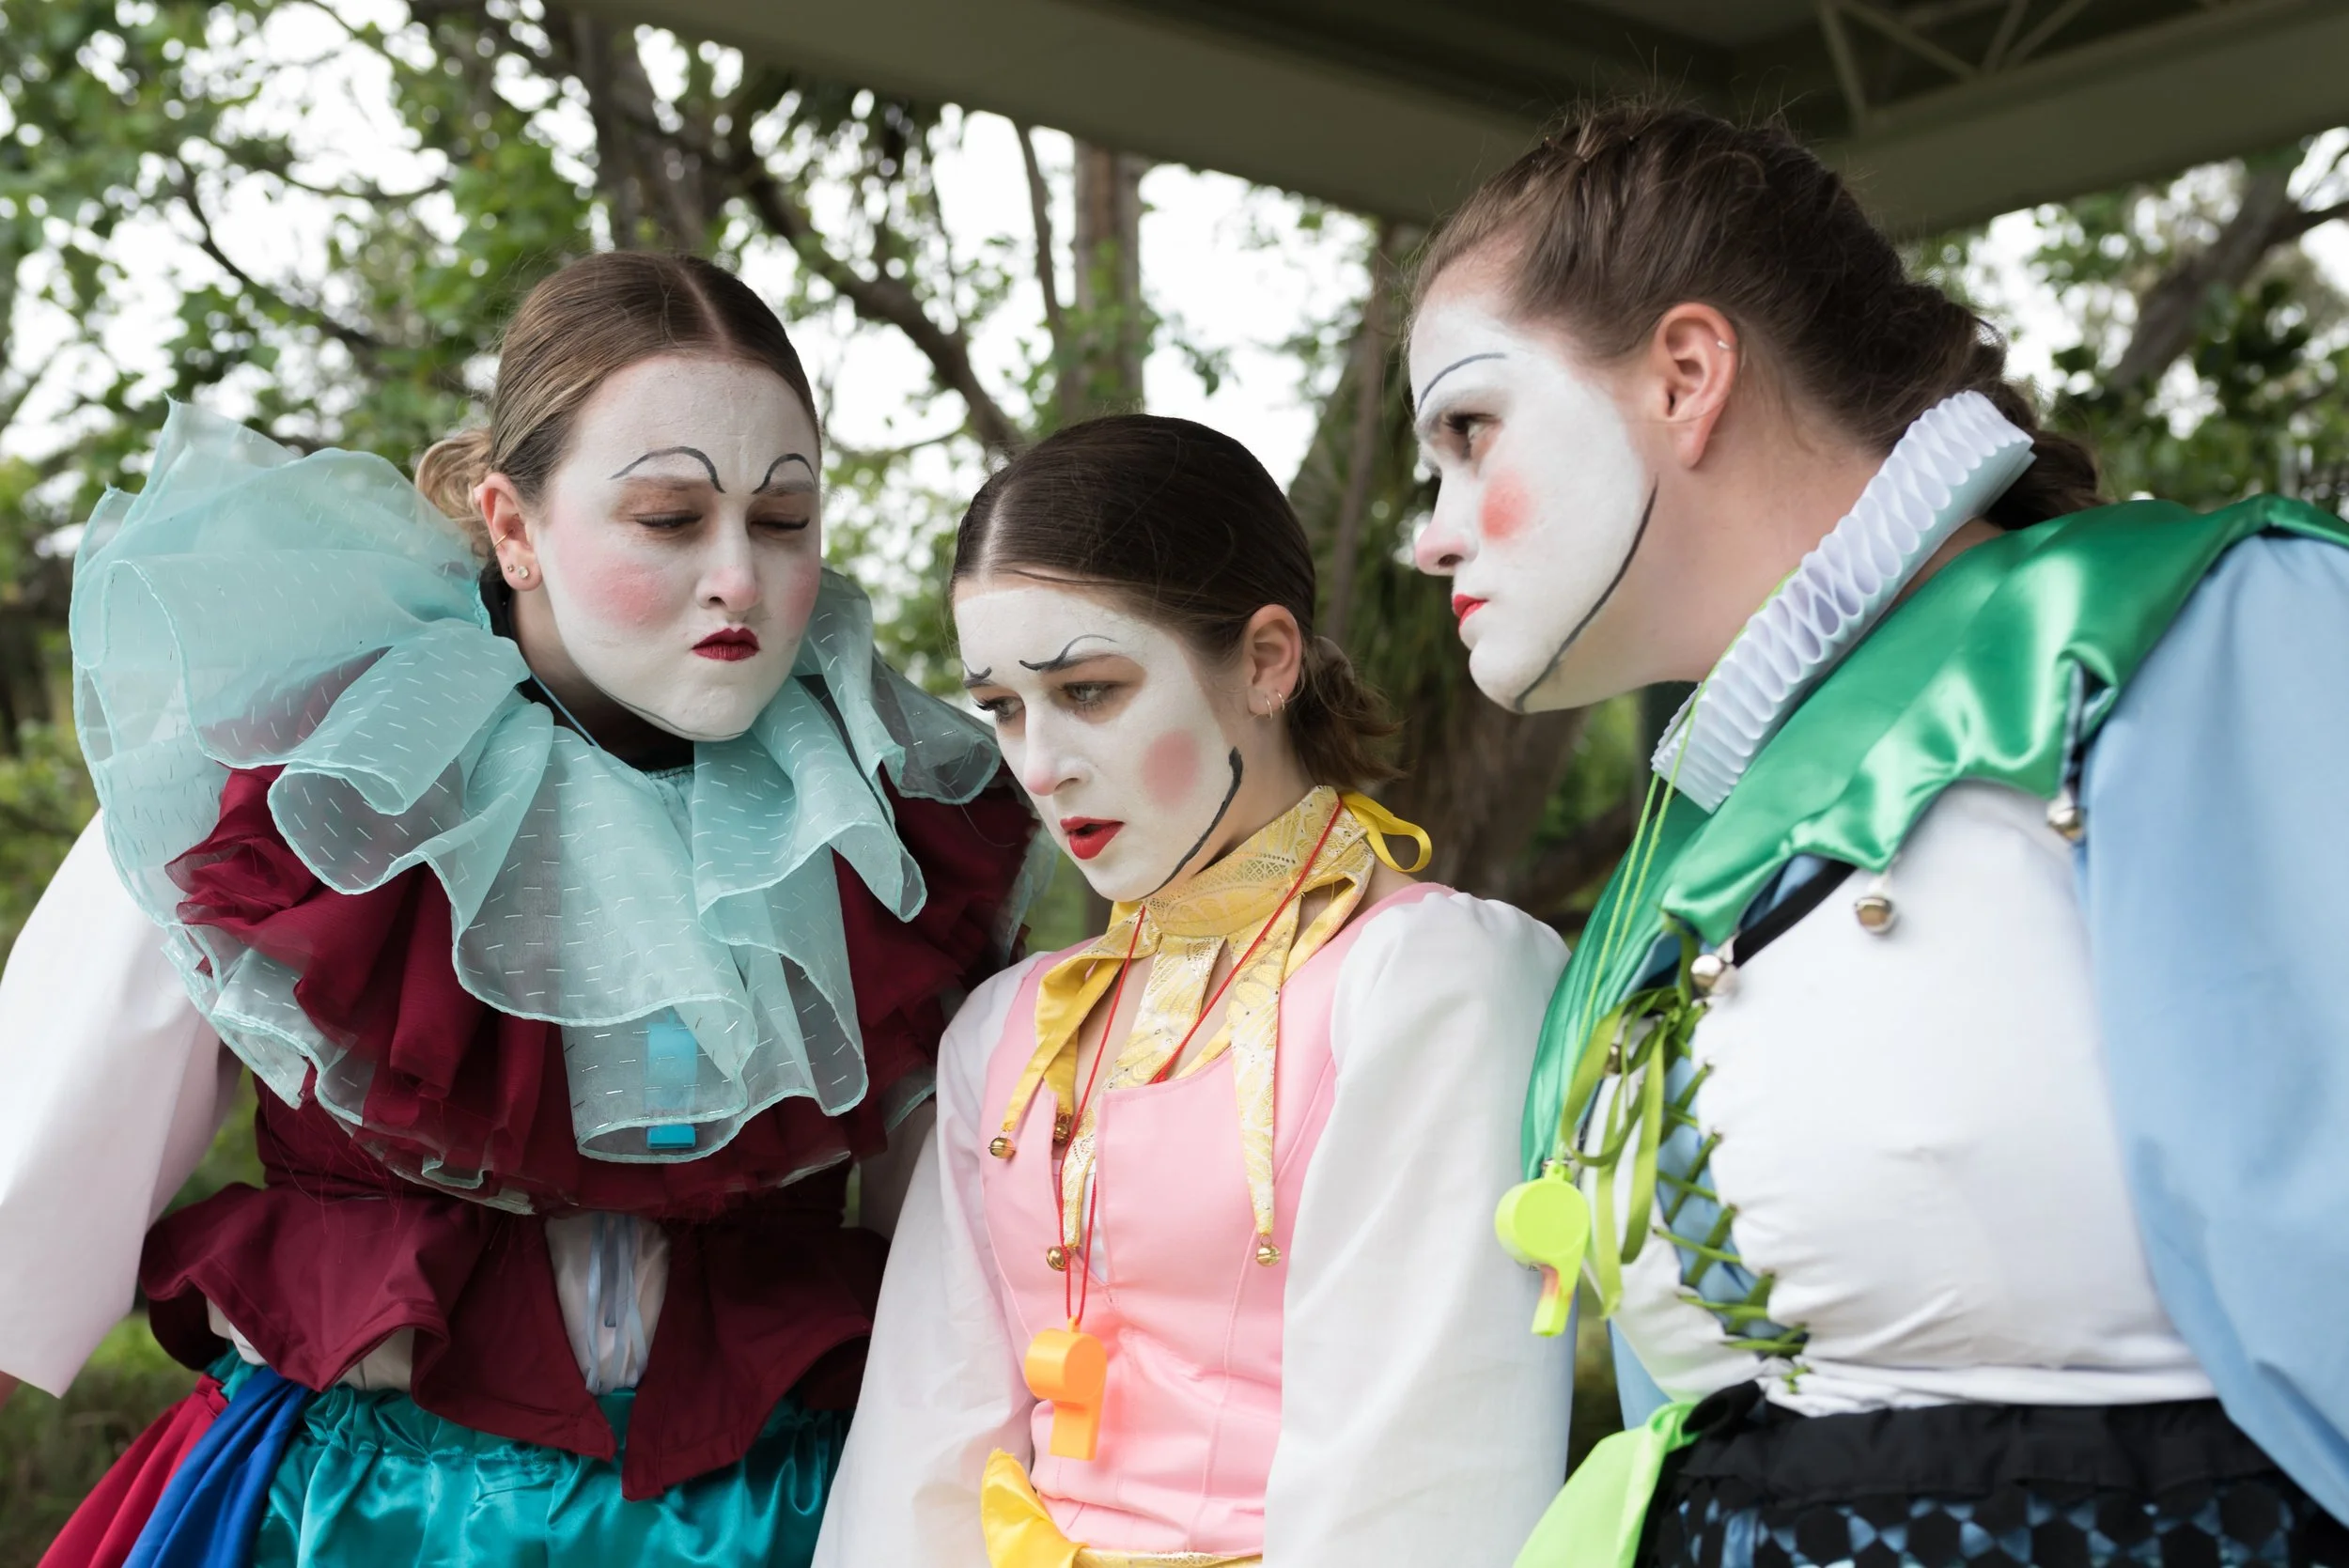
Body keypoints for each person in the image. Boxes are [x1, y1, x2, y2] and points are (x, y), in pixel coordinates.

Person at [1406, 101, 2349, 1567]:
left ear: (1687, 375)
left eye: (1470, 433)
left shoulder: (2201, 630)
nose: (1433, 531)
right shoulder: (1685, 851)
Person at [0, 251, 1043, 1568]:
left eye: (782, 520)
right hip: (356, 1518)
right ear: (511, 525)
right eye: (669, 517)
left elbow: (971, 1278)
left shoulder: (892, 820)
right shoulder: (301, 776)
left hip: (777, 1519)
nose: (739, 576)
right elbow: (24, 1191)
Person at [812, 413, 1573, 1567]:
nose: (1041, 762)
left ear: (1267, 659)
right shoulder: (1007, 1028)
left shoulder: (1430, 985)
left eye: (1090, 689)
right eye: (1004, 707)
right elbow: (918, 1466)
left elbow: (1429, 1478)